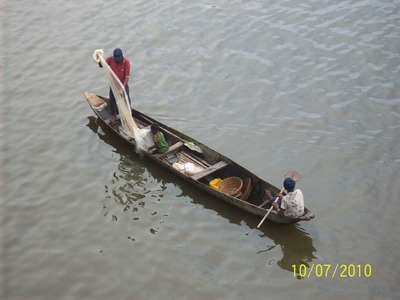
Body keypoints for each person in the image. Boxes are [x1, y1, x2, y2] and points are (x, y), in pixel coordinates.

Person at [99, 48, 131, 118]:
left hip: (123, 84)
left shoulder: (126, 62)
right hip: (113, 84)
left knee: (126, 100)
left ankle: (129, 114)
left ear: (122, 56)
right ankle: (113, 114)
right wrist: (99, 60)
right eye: (116, 59)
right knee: (112, 100)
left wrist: (122, 88)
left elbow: (127, 77)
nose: (117, 61)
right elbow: (102, 65)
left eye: (118, 60)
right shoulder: (111, 59)